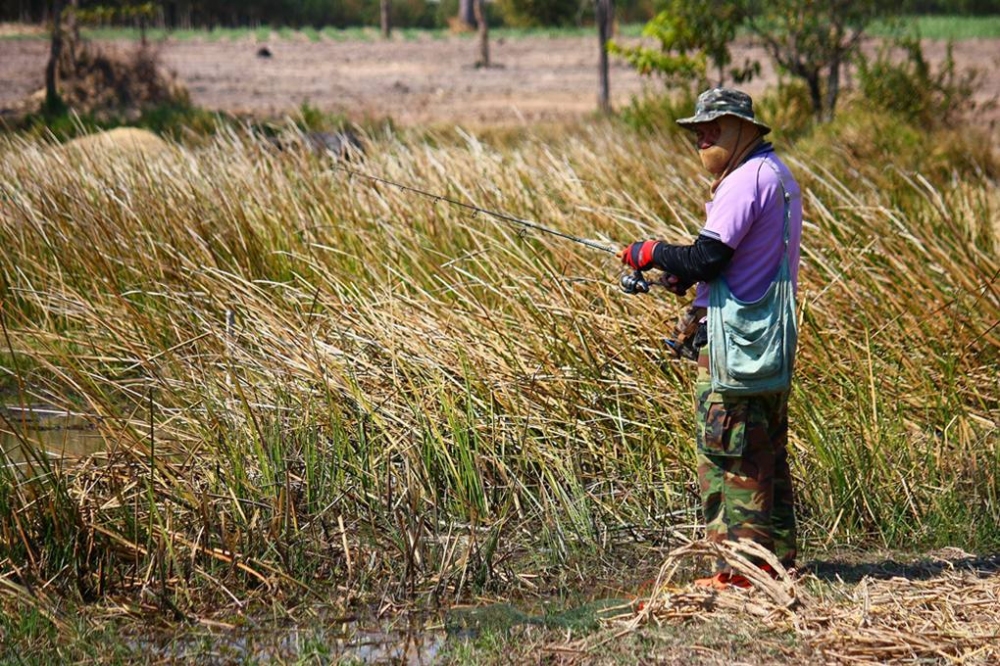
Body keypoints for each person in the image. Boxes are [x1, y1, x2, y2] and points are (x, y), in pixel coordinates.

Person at [618, 87, 804, 590]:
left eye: (713, 126)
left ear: (746, 129)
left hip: (733, 347)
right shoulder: (778, 176)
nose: (702, 136)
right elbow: (732, 263)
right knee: (765, 451)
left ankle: (740, 576)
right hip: (769, 339)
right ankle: (779, 561)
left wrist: (649, 251)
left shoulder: (744, 181)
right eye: (697, 129)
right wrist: (684, 278)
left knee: (731, 453)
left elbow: (708, 257)